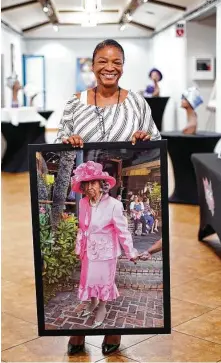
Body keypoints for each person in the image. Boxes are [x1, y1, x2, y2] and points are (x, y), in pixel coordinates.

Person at [55, 38, 161, 356]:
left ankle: (112, 331)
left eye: (116, 61)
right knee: (87, 284)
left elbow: (156, 138)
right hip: (90, 248)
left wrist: (145, 138)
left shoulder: (138, 103)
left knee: (106, 284)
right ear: (93, 64)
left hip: (109, 248)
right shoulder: (75, 102)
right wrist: (69, 139)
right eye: (102, 61)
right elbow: (60, 138)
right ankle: (78, 333)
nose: (109, 67)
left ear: (123, 66)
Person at [72, 161, 138, 329]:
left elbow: (123, 231)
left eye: (92, 183)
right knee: (90, 279)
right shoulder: (83, 203)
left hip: (106, 253)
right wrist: (80, 245)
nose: (89, 188)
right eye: (85, 185)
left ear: (102, 185)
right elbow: (83, 227)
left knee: (104, 281)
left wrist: (131, 252)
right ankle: (93, 303)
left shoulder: (114, 205)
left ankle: (102, 306)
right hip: (88, 251)